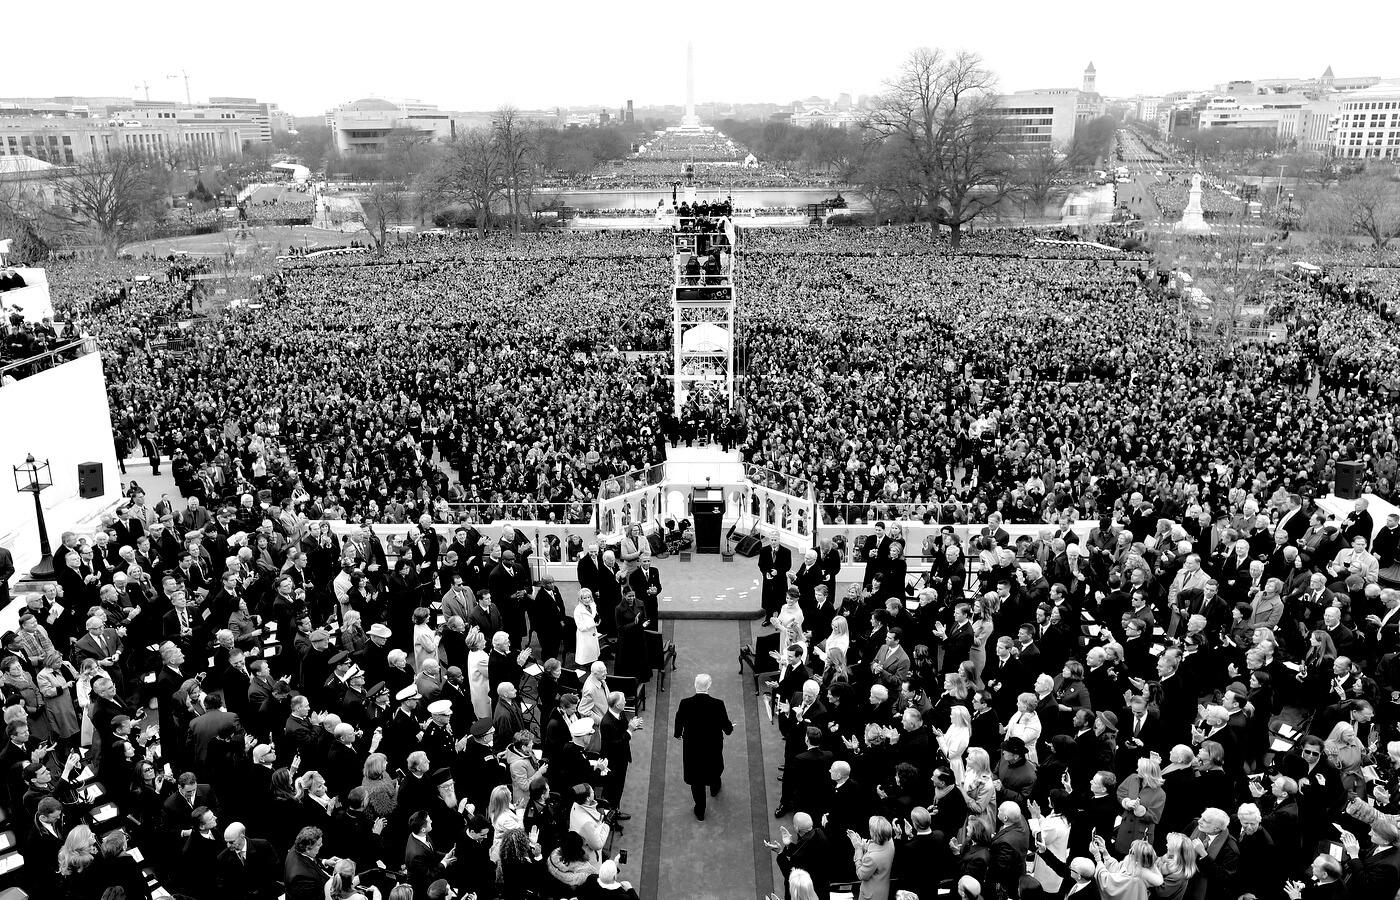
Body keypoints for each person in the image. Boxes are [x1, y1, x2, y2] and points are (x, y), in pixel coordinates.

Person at [674, 673, 734, 820]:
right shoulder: (718, 704)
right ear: (709, 685)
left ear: (695, 685)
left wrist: (678, 733)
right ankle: (714, 788)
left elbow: (679, 720)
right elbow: (726, 725)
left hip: (692, 747)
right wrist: (729, 729)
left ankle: (700, 810)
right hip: (712, 746)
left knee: (696, 779)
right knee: (714, 767)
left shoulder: (685, 703)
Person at [850, 815, 895, 900]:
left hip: (871, 896)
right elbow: (878, 847)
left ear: (874, 834)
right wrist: (864, 846)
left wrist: (858, 849)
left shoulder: (872, 858)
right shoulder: (890, 842)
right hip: (883, 890)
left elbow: (861, 874)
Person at [574, 589, 601, 667]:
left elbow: (595, 616)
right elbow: (581, 627)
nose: (587, 600)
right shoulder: (578, 610)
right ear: (580, 599)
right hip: (584, 636)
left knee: (594, 655)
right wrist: (593, 624)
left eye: (589, 597)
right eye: (585, 598)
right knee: (585, 658)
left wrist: (598, 620)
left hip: (593, 633)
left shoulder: (593, 605)